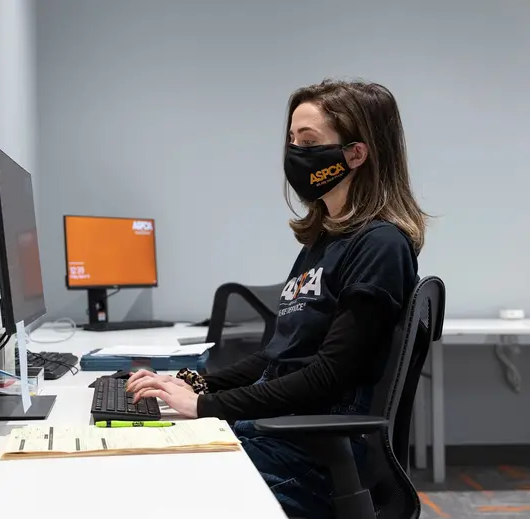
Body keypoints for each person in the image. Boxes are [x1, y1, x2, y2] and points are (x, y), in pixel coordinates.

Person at [126, 79, 426, 518]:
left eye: (309, 142)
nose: (295, 155)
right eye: (291, 141)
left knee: (146, 488)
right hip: (279, 433)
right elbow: (276, 357)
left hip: (311, 457)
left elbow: (328, 377)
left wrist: (207, 407)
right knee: (134, 458)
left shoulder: (379, 245)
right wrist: (197, 384)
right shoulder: (324, 240)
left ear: (355, 154)